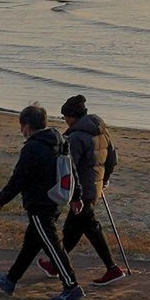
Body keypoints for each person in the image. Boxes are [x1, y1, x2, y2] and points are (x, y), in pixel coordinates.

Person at [0, 103, 81, 300]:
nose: (21, 130)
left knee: (53, 246)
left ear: (27, 126)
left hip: (40, 204)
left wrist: (0, 200)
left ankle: (71, 286)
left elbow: (18, 179)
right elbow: (71, 170)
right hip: (57, 200)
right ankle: (10, 280)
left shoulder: (32, 147)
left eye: (21, 126)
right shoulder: (59, 140)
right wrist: (76, 196)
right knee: (31, 244)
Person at [57, 92, 126, 285]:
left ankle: (112, 268)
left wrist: (67, 191)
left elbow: (69, 167)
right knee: (73, 227)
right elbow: (112, 159)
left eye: (66, 117)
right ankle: (56, 263)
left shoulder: (76, 137)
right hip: (94, 187)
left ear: (73, 116)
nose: (65, 121)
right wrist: (104, 180)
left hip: (81, 190)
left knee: (91, 228)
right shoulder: (102, 131)